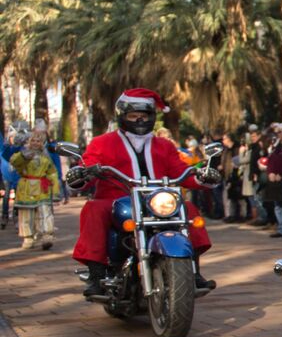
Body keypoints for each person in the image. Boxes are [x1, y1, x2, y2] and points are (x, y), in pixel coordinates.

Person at [66, 89, 218, 296]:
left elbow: (180, 171)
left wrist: (202, 177)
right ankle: (97, 273)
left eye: (144, 116)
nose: (139, 120)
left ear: (152, 117)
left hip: (158, 200)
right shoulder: (102, 142)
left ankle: (192, 270)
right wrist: (82, 174)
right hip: (115, 199)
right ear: (122, 116)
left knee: (188, 208)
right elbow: (88, 164)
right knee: (93, 209)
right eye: (133, 115)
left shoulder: (164, 145)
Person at [9, 128, 58, 250]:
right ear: (28, 141)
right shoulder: (22, 155)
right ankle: (28, 238)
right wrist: (23, 156)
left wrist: (56, 190)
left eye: (38, 141)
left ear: (42, 143)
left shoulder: (46, 158)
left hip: (42, 188)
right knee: (26, 214)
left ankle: (47, 236)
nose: (35, 143)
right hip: (26, 188)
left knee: (45, 212)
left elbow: (52, 173)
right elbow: (14, 162)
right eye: (33, 140)